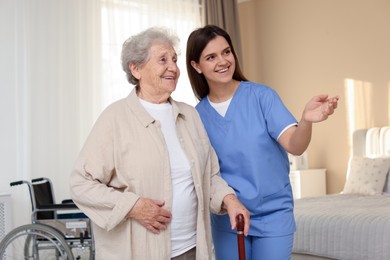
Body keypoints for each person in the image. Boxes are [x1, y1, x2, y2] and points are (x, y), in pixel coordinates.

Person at [69, 27, 250, 260]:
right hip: (139, 252)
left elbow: (209, 175)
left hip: (193, 249)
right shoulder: (115, 118)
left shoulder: (189, 116)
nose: (173, 67)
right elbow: (80, 183)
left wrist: (230, 199)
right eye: (162, 60)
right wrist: (133, 206)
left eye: (174, 59)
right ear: (136, 68)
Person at [186, 25, 339, 260]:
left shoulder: (262, 97)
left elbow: (295, 146)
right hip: (229, 217)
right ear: (196, 66)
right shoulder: (196, 117)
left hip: (273, 213)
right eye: (211, 57)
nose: (223, 61)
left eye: (226, 52)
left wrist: (305, 121)